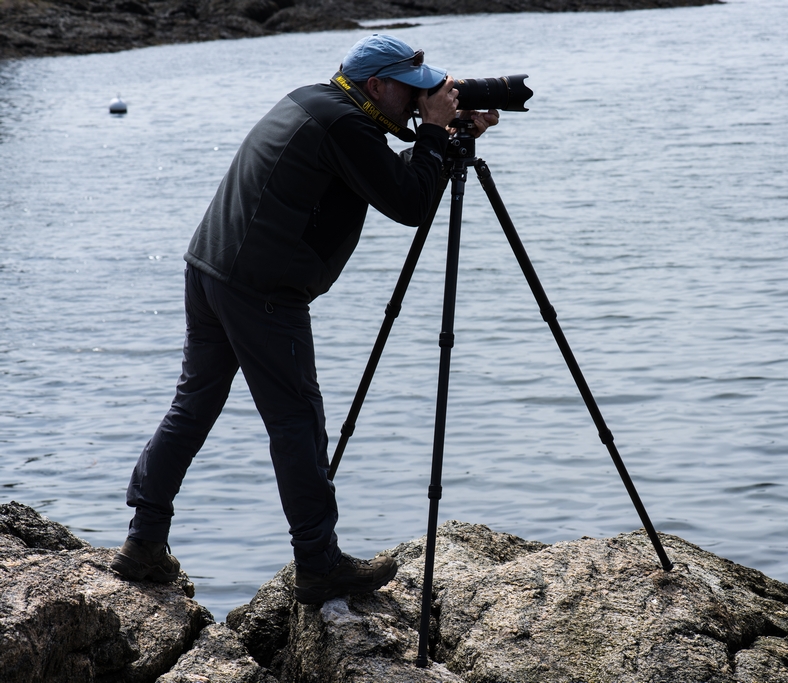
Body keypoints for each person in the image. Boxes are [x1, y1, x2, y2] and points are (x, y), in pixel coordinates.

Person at [110, 34, 499, 604]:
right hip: (262, 290)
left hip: (210, 266)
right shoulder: (347, 126)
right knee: (297, 422)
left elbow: (385, 178)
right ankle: (318, 563)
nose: (420, 97)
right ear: (376, 86)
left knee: (193, 406)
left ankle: (143, 544)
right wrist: (437, 134)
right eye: (411, 89)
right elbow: (412, 206)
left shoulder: (317, 101)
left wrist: (441, 135)